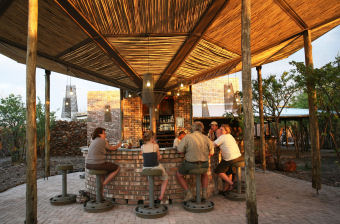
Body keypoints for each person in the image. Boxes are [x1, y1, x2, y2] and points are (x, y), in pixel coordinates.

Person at [176, 121, 214, 201]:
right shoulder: (206, 138)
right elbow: (212, 153)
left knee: (179, 174)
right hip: (204, 165)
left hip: (190, 165)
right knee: (204, 174)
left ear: (193, 128)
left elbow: (179, 150)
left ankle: (189, 193)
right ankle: (204, 194)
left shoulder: (187, 137)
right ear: (201, 129)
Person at [86, 127, 121, 192]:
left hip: (88, 164)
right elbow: (112, 148)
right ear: (99, 134)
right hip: (97, 164)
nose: (105, 135)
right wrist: (119, 145)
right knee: (117, 168)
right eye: (104, 133)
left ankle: (101, 193)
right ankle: (103, 184)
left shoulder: (93, 141)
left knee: (102, 173)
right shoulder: (102, 140)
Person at [214, 124, 244, 193]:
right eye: (220, 129)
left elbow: (213, 144)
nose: (220, 131)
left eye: (222, 130)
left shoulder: (223, 137)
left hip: (231, 158)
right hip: (238, 157)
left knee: (218, 171)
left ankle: (232, 184)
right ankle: (227, 188)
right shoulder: (230, 136)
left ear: (226, 131)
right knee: (229, 172)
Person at [141, 130, 169, 203]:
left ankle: (150, 198)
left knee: (150, 179)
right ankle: (160, 198)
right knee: (165, 178)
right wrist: (160, 156)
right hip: (155, 166)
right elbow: (159, 158)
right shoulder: (155, 146)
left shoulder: (142, 146)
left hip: (145, 168)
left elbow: (144, 158)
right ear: (152, 138)